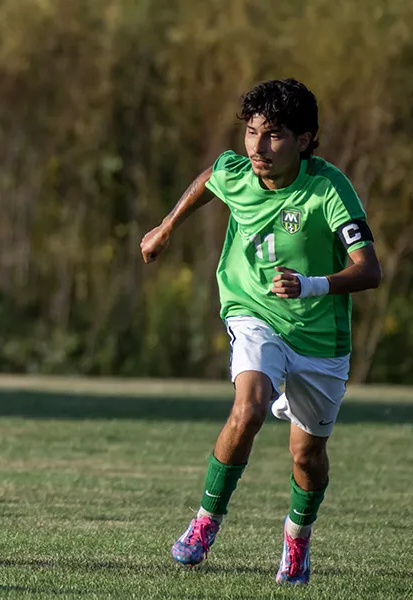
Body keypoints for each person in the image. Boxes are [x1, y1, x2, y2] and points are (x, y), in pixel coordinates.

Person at [142, 79, 381, 585]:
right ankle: (206, 521)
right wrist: (166, 226)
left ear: (305, 140)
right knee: (248, 409)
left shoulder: (328, 189)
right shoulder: (239, 171)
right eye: (251, 132)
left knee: (307, 455)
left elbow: (370, 270)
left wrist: (311, 284)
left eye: (273, 135)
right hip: (253, 312)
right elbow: (211, 177)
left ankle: (297, 538)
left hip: (320, 338)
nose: (257, 146)